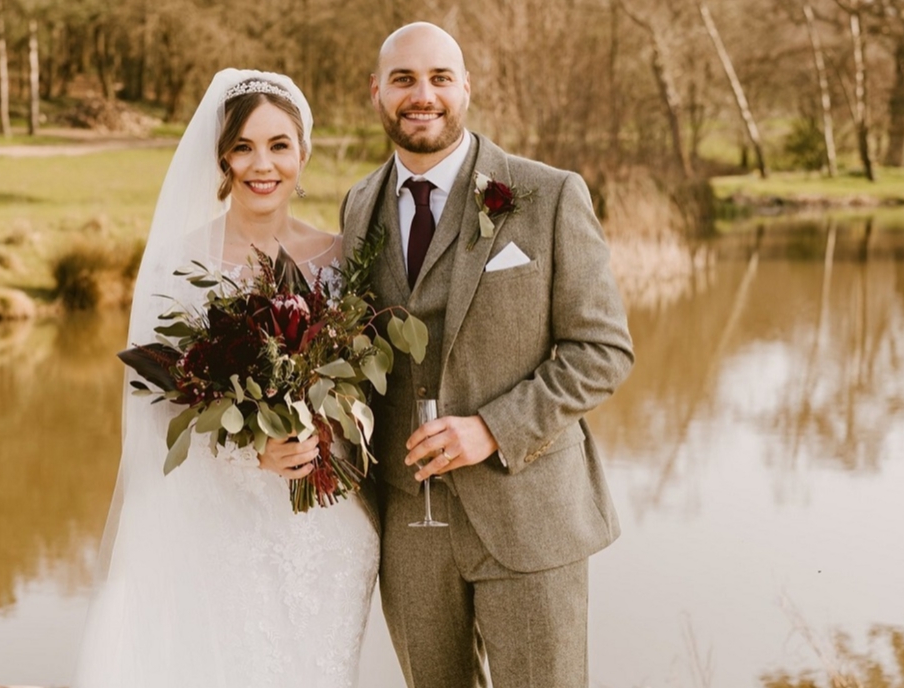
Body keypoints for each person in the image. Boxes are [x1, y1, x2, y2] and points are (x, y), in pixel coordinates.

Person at [339, 23, 635, 688]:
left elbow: (603, 350)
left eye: (440, 77)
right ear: (377, 91)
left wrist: (492, 428)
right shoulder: (358, 205)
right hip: (409, 527)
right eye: (404, 79)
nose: (423, 94)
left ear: (465, 87)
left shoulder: (549, 195)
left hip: (530, 514)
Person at [73, 69, 377, 688]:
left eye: (278, 145)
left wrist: (332, 421)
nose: (261, 165)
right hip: (222, 532)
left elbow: (365, 386)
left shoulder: (340, 256)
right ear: (221, 158)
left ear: (303, 153)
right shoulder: (182, 265)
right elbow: (156, 407)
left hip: (328, 531)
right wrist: (249, 452)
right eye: (243, 147)